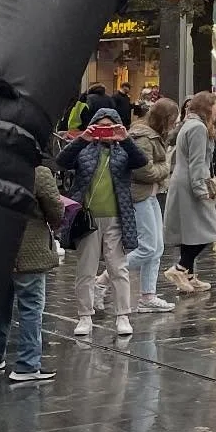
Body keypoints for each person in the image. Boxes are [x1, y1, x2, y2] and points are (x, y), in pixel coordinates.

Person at [57, 107, 147, 340]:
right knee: (85, 270)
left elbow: (142, 162)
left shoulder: (123, 152)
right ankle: (84, 315)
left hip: (116, 218)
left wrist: (125, 139)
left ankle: (122, 315)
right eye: (101, 126)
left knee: (118, 268)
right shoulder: (84, 150)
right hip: (87, 220)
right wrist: (82, 139)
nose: (105, 132)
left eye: (110, 126)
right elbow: (61, 161)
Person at [0, 149, 64, 384]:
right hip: (29, 252)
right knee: (31, 309)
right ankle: (27, 365)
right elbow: (55, 210)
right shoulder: (38, 173)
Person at [162, 91, 216, 294]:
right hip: (191, 185)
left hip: (183, 182)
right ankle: (180, 268)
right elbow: (197, 163)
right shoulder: (198, 128)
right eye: (215, 105)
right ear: (206, 107)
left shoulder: (189, 124)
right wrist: (201, 190)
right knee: (208, 229)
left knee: (190, 232)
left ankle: (189, 275)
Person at [128, 97, 178, 312]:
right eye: (173, 120)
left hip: (150, 194)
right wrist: (165, 167)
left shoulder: (151, 134)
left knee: (156, 247)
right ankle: (104, 279)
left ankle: (148, 295)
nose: (174, 125)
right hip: (140, 195)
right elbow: (143, 171)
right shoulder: (143, 137)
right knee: (148, 247)